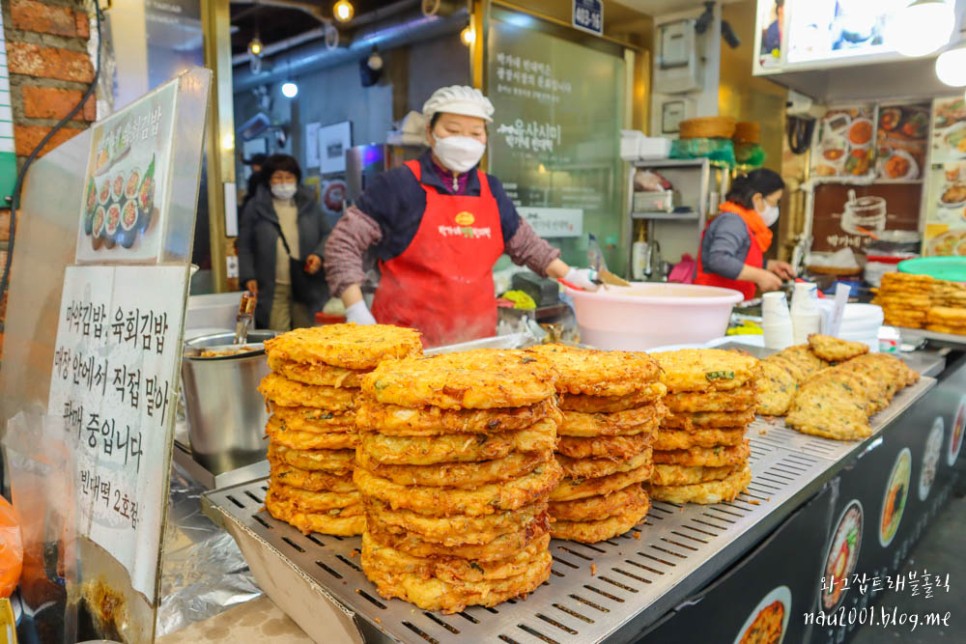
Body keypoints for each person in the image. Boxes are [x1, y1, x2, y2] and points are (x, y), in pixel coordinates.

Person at [324, 85, 595, 347]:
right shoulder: (399, 184)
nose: (465, 141)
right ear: (430, 133)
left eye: (476, 132)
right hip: (406, 347)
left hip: (476, 344)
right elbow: (342, 244)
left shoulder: (491, 190)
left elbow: (527, 246)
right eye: (453, 130)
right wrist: (356, 309)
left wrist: (571, 274)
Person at [238, 154, 331, 331]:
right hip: (272, 287)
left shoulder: (309, 205)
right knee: (277, 336)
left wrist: (318, 255)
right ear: (268, 180)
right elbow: (245, 245)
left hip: (305, 284)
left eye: (289, 177)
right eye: (278, 177)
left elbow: (327, 234)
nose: (284, 182)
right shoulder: (255, 207)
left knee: (306, 337)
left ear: (296, 179)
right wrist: (247, 275)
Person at [694, 168, 795, 300]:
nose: (775, 208)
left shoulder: (747, 222)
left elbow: (739, 257)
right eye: (775, 202)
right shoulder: (732, 221)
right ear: (758, 199)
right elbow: (719, 259)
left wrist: (768, 266)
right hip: (713, 302)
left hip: (730, 301)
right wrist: (760, 276)